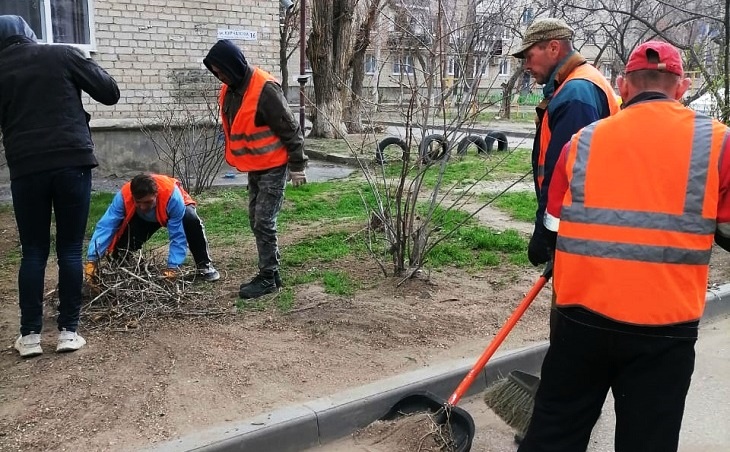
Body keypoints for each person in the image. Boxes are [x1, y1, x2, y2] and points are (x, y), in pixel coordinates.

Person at [518, 41, 730, 452]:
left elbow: (553, 225)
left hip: (581, 321)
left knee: (554, 433)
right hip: (664, 328)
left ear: (623, 86)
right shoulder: (719, 144)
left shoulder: (582, 142)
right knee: (647, 440)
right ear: (681, 87)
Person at [0, 15, 120, 358]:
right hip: (72, 161)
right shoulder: (61, 54)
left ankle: (30, 337)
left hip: (26, 168)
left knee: (33, 251)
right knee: (69, 248)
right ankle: (69, 332)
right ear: (29, 34)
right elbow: (110, 93)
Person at [511, 18, 620, 268]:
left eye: (529, 55)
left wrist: (545, 235)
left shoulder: (576, 93)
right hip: (585, 224)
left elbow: (569, 174)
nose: (526, 65)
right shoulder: (575, 84)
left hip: (580, 228)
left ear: (553, 48)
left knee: (572, 303)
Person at [203, 39, 308, 299]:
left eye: (221, 70)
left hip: (274, 165)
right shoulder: (231, 89)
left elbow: (290, 128)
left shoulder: (265, 89)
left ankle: (267, 277)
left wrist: (297, 165)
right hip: (255, 166)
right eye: (216, 72)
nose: (220, 76)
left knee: (263, 221)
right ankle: (272, 273)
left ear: (233, 65)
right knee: (255, 220)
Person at [86, 173, 220, 282]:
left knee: (190, 219)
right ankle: (123, 266)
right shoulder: (124, 196)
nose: (143, 207)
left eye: (147, 202)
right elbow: (107, 225)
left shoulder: (172, 196)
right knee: (122, 249)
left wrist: (172, 267)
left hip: (172, 211)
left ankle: (204, 265)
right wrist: (92, 258)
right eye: (138, 202)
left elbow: (178, 236)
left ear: (156, 193)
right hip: (144, 218)